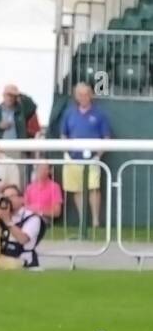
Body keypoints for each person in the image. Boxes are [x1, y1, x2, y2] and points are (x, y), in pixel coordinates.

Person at [60, 82, 112, 228]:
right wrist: (66, 152)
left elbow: (106, 137)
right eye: (80, 95)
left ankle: (95, 221)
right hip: (73, 158)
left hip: (92, 159)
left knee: (93, 188)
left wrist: (98, 156)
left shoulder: (99, 114)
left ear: (91, 96)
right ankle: (83, 221)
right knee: (77, 189)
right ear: (76, 96)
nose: (83, 97)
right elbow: (63, 134)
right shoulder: (69, 113)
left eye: (86, 94)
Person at [0, 184, 42, 271]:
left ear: (22, 199)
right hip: (0, 254)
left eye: (12, 196)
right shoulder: (1, 214)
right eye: (5, 197)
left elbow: (23, 239)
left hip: (20, 258)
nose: (8, 200)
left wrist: (7, 221)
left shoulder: (32, 218)